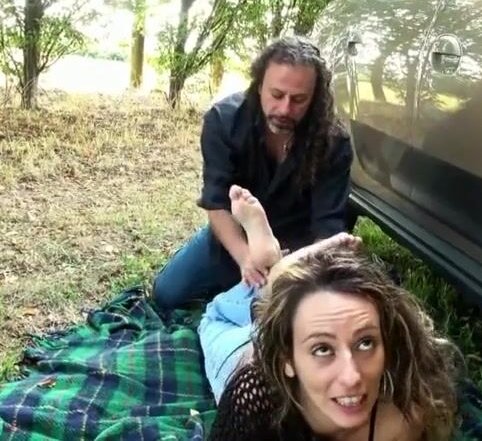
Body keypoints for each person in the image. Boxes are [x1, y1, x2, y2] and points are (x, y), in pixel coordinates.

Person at [199, 185, 462, 441]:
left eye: (366, 343)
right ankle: (275, 270)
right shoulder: (255, 397)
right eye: (323, 349)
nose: (352, 377)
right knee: (216, 316)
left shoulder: (400, 420)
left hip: (296, 325)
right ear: (286, 361)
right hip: (247, 347)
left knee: (281, 306)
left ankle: (279, 274)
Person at [152, 36, 353, 313]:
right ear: (259, 86)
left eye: (298, 100)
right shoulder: (224, 121)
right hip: (235, 235)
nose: (285, 109)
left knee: (292, 310)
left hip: (299, 247)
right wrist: (246, 259)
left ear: (315, 98)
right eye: (276, 95)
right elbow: (216, 203)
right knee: (167, 294)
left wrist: (296, 271)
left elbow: (327, 228)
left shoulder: (333, 142)